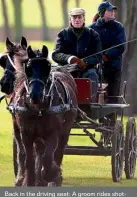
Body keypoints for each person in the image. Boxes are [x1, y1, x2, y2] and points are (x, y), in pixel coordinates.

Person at [52, 7, 102, 102]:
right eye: (74, 17)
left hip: (87, 70)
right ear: (70, 19)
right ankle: (58, 103)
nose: (77, 20)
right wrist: (70, 58)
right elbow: (55, 54)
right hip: (66, 69)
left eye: (79, 17)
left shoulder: (93, 34)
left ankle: (89, 104)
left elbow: (98, 56)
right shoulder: (63, 34)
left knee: (93, 75)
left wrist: (85, 62)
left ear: (84, 19)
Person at [89, 1, 126, 126]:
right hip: (97, 69)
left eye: (113, 10)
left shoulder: (119, 27)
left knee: (113, 97)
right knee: (99, 95)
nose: (113, 12)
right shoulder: (92, 28)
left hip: (114, 68)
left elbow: (121, 47)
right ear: (102, 13)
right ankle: (100, 120)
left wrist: (106, 55)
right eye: (110, 11)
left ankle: (111, 123)